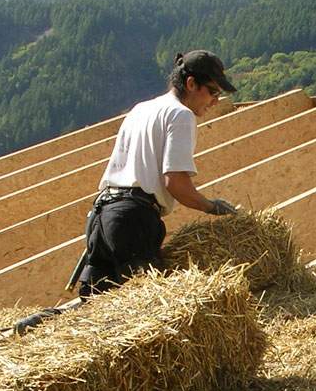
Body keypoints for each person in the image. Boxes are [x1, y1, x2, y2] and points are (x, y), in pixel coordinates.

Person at [77, 50, 239, 297]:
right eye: (213, 91)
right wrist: (211, 207)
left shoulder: (141, 108)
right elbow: (175, 183)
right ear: (191, 84)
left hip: (102, 217)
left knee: (94, 309)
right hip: (133, 220)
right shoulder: (181, 115)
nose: (215, 101)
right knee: (152, 307)